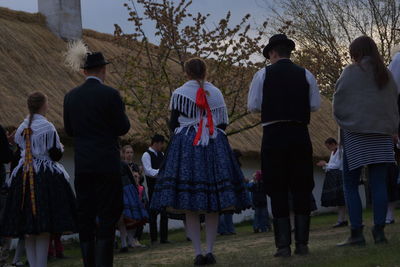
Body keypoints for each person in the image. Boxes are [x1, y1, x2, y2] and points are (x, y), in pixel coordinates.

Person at [151, 58, 250, 265]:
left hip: (187, 146)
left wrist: (190, 128)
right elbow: (223, 123)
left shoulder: (179, 93)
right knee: (213, 202)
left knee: (189, 203)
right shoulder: (216, 93)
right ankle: (210, 250)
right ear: (206, 71)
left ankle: (197, 252)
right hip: (214, 144)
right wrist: (205, 127)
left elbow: (173, 123)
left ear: (186, 72)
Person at [247, 34, 321, 257]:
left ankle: (282, 246)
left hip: (273, 134)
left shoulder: (262, 74)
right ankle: (302, 244)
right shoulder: (306, 74)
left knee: (276, 186)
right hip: (299, 133)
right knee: (301, 185)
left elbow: (253, 106)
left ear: (272, 53)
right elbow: (315, 105)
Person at [63, 42, 131, 267]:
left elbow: (70, 130)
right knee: (109, 213)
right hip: (106, 162)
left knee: (86, 214)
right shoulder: (110, 94)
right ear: (103, 70)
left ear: (84, 71)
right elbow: (123, 128)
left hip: (83, 163)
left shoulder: (70, 97)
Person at [333, 36, 399, 246]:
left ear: (356, 53)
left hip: (356, 132)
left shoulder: (351, 72)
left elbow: (339, 100)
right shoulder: (386, 75)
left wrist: (347, 120)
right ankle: (379, 232)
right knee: (379, 183)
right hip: (381, 134)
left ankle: (356, 233)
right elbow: (393, 105)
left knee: (351, 184)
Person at [0, 92, 77, 267]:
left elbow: (20, 148)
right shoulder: (48, 127)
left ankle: (34, 264)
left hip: (23, 176)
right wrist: (60, 148)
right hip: (43, 177)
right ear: (43, 105)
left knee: (28, 228)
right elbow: (55, 154)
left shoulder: (22, 126)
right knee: (43, 229)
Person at [141, 134, 169, 244]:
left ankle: (164, 238)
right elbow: (148, 171)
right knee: (153, 214)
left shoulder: (161, 154)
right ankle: (153, 239)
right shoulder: (146, 155)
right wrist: (161, 173)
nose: (162, 146)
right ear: (156, 143)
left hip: (162, 187)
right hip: (153, 187)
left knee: (164, 212)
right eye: (161, 144)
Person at [316, 137, 348, 227]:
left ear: (333, 144)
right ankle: (342, 219)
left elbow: (337, 165)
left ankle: (342, 220)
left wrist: (325, 164)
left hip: (339, 176)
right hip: (334, 177)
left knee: (341, 199)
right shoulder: (333, 152)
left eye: (328, 147)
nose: (328, 149)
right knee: (339, 199)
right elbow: (331, 165)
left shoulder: (340, 151)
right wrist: (325, 165)